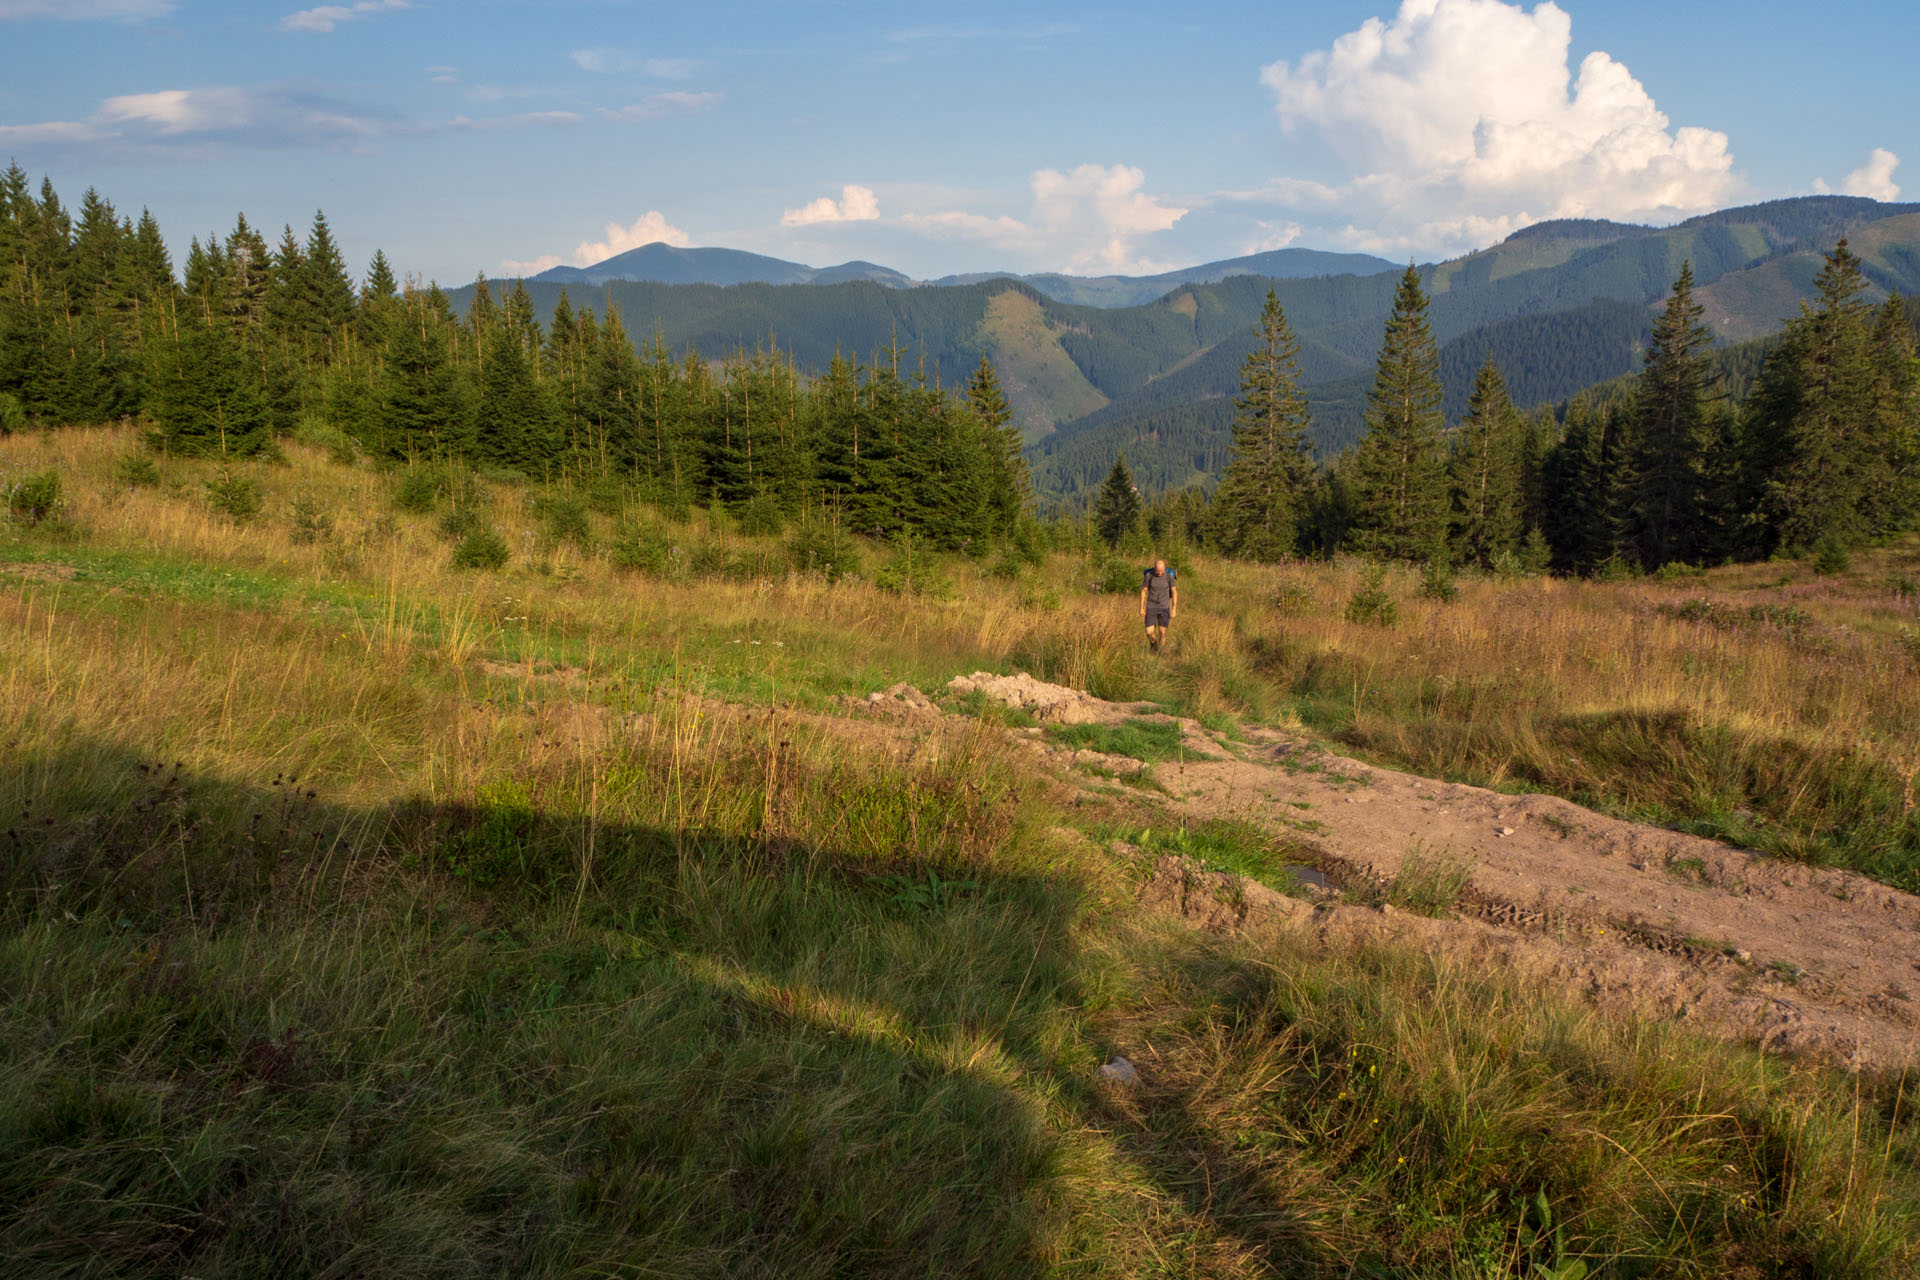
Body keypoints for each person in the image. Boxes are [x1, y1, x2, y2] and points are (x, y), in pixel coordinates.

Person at [1140, 558, 1177, 652]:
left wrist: (1174, 608)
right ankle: (1154, 644)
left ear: (1165, 568)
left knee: (1162, 632)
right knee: (1149, 632)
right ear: (1154, 568)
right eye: (1157, 571)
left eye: (1161, 571)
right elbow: (1144, 591)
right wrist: (1141, 608)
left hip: (1164, 606)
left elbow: (1174, 591)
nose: (1160, 573)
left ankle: (1161, 653)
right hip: (1151, 606)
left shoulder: (1169, 576)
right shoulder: (1149, 575)